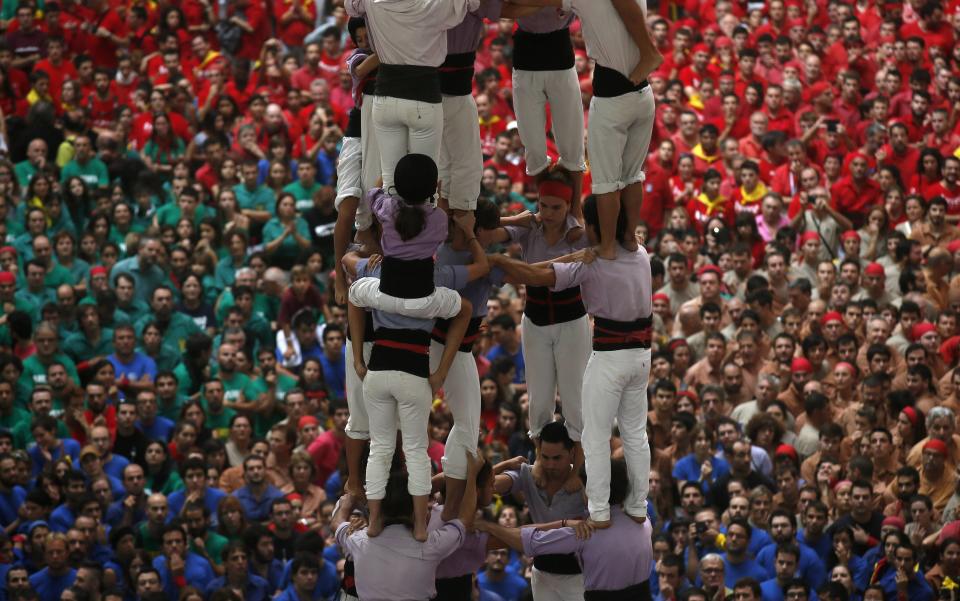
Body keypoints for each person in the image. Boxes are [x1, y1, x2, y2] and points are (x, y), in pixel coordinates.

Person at [490, 195, 652, 526]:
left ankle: (600, 511)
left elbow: (536, 277)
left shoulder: (592, 262)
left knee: (593, 434)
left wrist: (497, 263)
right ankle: (638, 505)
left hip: (609, 356)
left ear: (593, 227)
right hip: (641, 356)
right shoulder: (640, 253)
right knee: (636, 433)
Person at [479, 456, 654, 599]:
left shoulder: (586, 532)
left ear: (592, 491)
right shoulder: (644, 520)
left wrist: (487, 525)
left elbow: (528, 541)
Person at [333, 451, 482, 601]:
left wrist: (346, 505)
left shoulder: (359, 541)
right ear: (416, 511)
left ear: (378, 509)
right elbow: (465, 520)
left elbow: (337, 525)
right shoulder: (430, 546)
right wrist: (472, 476)